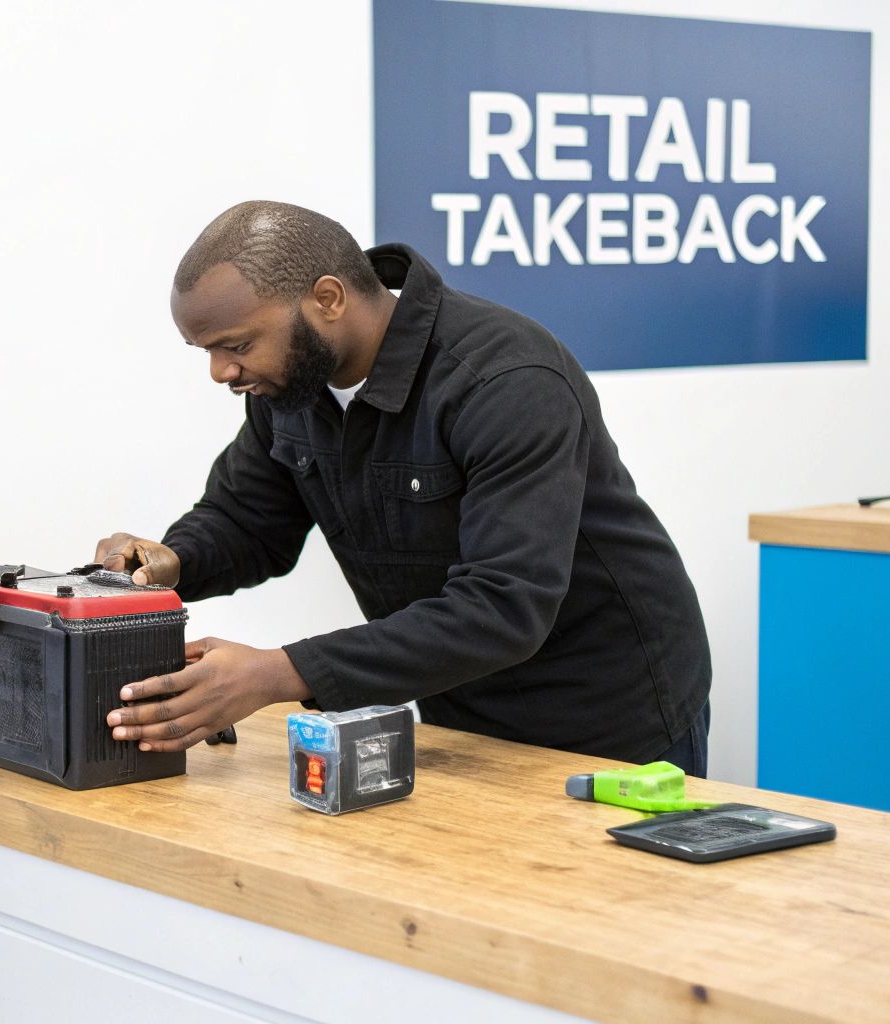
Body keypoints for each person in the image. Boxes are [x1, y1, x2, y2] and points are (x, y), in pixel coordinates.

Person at [96, 201, 710, 774]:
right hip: (459, 707)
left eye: (236, 345)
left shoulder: (506, 380)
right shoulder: (291, 387)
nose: (220, 372)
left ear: (328, 299)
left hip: (609, 714)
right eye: (206, 351)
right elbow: (248, 522)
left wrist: (277, 674)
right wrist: (172, 561)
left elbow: (503, 607)